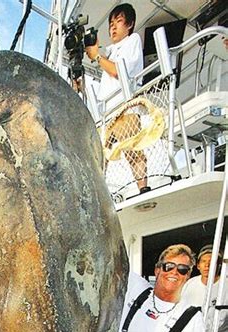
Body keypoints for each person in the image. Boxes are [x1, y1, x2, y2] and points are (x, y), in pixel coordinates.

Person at [84, 3, 149, 193]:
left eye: (118, 22)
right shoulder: (111, 51)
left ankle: (144, 189)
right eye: (111, 23)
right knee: (99, 162)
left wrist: (97, 57)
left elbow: (118, 71)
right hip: (107, 115)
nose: (113, 27)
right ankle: (99, 198)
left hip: (125, 108)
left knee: (133, 151)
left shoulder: (133, 40)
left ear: (129, 24)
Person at [181, 244, 227, 332]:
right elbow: (180, 314)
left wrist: (192, 324)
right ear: (198, 266)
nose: (207, 265)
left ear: (219, 265)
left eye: (212, 261)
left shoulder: (226, 286)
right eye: (204, 262)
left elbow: (218, 323)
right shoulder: (190, 285)